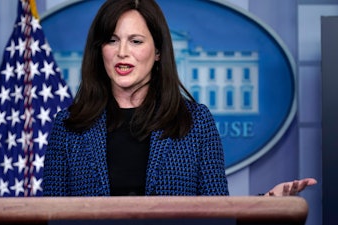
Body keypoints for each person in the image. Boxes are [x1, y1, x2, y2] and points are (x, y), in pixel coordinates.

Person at [42, 0, 316, 197]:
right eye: (112, 40)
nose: (122, 52)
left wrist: (267, 205)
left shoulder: (196, 122)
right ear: (99, 49)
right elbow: (50, 215)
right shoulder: (67, 126)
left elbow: (217, 212)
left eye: (136, 41)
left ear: (158, 52)